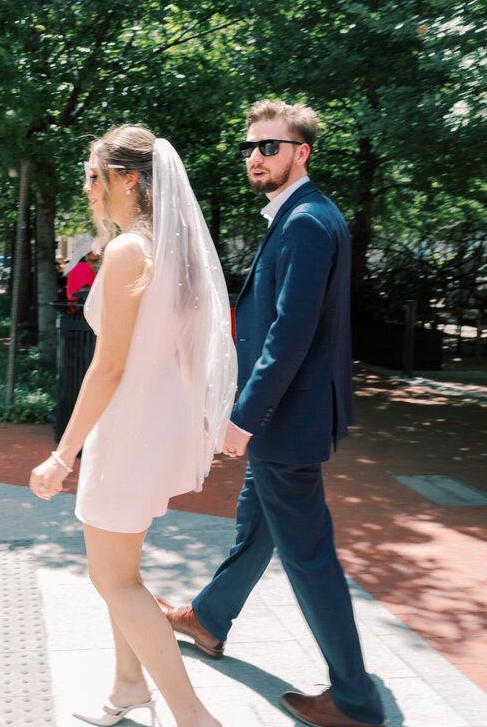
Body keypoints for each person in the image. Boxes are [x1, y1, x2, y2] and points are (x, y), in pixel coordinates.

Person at [157, 100, 386, 727]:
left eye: (270, 147)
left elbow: (292, 333)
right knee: (257, 524)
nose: (255, 157)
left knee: (309, 555)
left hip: (286, 418)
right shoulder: (298, 217)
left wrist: (245, 416)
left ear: (300, 153)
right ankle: (208, 617)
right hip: (292, 416)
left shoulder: (308, 221)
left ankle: (355, 700)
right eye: (250, 147)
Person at [29, 125, 236, 727]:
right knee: (123, 570)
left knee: (112, 578)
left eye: (95, 175)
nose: (88, 187)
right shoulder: (164, 251)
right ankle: (126, 687)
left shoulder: (128, 253)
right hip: (153, 423)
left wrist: (61, 455)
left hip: (128, 430)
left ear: (130, 179)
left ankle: (195, 717)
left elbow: (109, 365)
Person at [64, 234, 99, 303]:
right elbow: (84, 294)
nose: (98, 252)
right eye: (94, 249)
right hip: (82, 310)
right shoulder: (82, 267)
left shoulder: (81, 266)